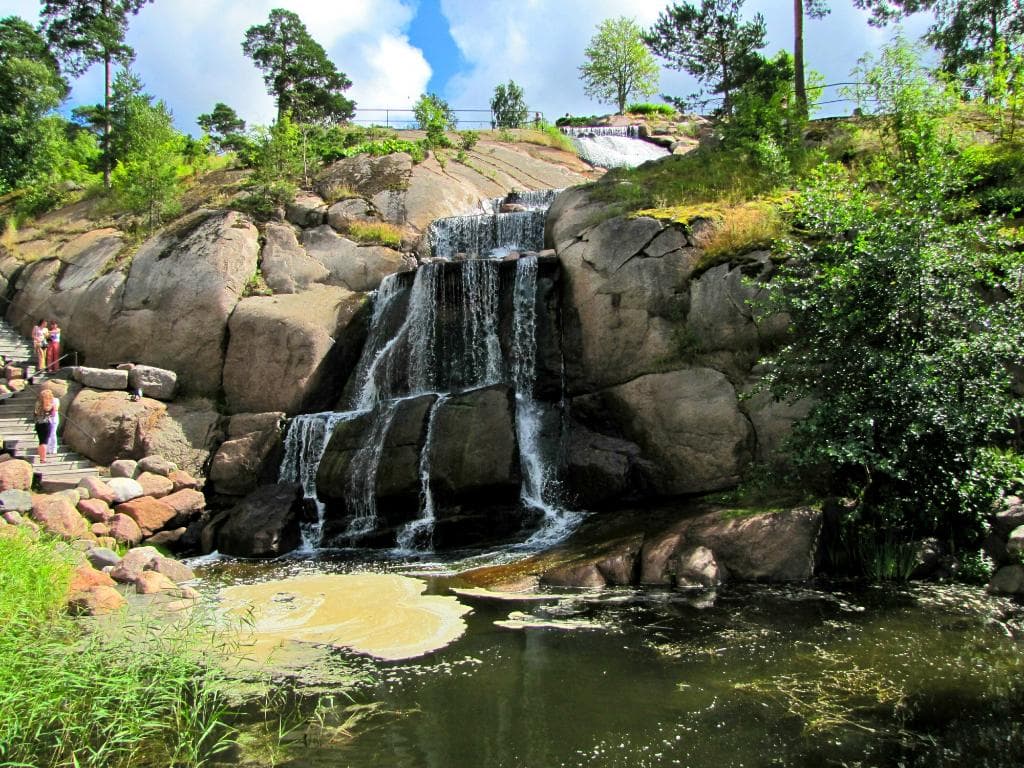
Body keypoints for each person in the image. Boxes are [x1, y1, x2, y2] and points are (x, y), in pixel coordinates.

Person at [33, 389, 57, 464]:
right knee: (44, 442)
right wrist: (53, 405)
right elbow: (52, 412)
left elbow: (35, 413)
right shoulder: (47, 403)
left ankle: (41, 458)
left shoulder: (37, 403)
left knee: (41, 442)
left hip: (38, 423)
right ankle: (43, 459)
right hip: (45, 423)